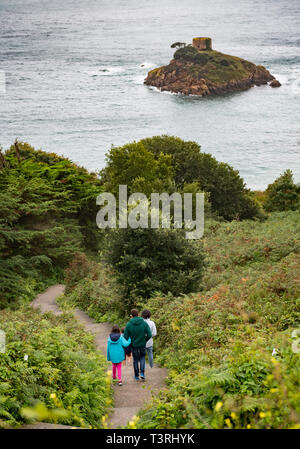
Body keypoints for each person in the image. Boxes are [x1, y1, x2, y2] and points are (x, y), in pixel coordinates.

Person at [124, 309, 152, 381]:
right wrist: (144, 340)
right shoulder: (144, 323)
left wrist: (129, 342)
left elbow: (125, 337)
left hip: (134, 345)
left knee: (135, 359)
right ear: (138, 314)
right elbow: (149, 334)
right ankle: (142, 373)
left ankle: (136, 376)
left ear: (131, 316)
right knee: (142, 357)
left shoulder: (129, 324)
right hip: (142, 344)